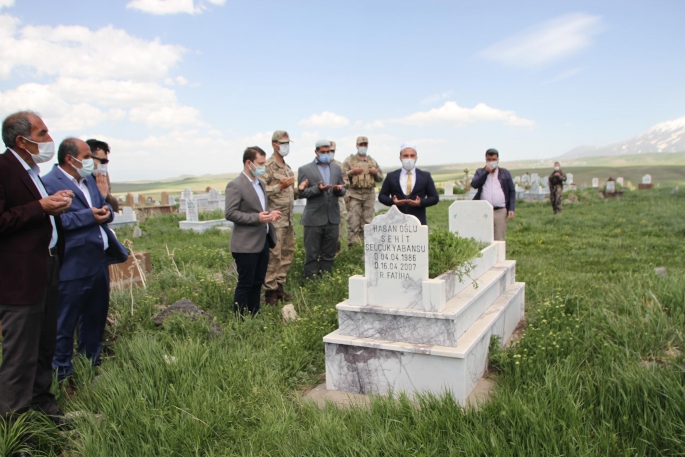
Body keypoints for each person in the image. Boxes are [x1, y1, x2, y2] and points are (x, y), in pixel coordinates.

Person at [0, 111, 73, 424]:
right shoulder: (3, 170)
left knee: (44, 346)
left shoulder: (31, 173)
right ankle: (16, 430)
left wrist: (52, 203)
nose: (48, 140)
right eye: (42, 134)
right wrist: (39, 207)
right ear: (21, 140)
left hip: (46, 267)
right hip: (19, 279)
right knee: (20, 356)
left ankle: (45, 412)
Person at [42, 138, 129, 382]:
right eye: (87, 156)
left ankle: (90, 367)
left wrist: (105, 213)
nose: (91, 162)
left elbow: (105, 209)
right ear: (71, 159)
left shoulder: (88, 181)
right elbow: (54, 222)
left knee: (95, 317)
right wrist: (88, 216)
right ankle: (61, 375)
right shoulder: (49, 183)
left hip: (99, 261)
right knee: (66, 322)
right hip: (73, 263)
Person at [225, 147, 280, 316]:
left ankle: (254, 314)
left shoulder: (261, 184)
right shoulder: (236, 185)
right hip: (245, 244)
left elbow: (260, 208)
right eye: (260, 163)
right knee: (246, 283)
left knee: (258, 282)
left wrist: (270, 215)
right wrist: (257, 218)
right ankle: (240, 318)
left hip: (262, 240)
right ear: (249, 163)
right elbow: (230, 213)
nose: (264, 166)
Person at [297, 140, 346, 280]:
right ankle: (311, 280)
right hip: (313, 218)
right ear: (316, 152)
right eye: (323, 152)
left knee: (329, 252)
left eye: (328, 152)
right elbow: (302, 193)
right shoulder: (305, 169)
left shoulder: (336, 168)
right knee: (312, 253)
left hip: (332, 217)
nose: (326, 155)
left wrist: (339, 189)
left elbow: (342, 190)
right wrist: (318, 189)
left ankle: (325, 279)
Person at [262, 131, 296, 305]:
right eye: (283, 143)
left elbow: (289, 193)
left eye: (287, 142)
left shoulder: (287, 167)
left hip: (288, 219)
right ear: (274, 144)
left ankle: (279, 286)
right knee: (274, 255)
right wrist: (278, 187)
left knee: (287, 253)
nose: (286, 146)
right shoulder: (268, 166)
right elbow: (259, 190)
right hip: (275, 219)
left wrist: (300, 189)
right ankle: (270, 292)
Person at [378, 143, 439, 225]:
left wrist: (420, 202)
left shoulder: (425, 176)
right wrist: (393, 202)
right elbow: (382, 196)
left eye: (412, 155)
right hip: (396, 221)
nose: (409, 159)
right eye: (406, 156)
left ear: (416, 158)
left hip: (418, 222)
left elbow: (434, 198)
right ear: (400, 158)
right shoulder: (391, 176)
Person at [342, 136, 383, 247]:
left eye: (365, 145)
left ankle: (367, 249)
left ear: (367, 146)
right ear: (357, 145)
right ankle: (353, 250)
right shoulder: (349, 160)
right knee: (353, 223)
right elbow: (342, 176)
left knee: (368, 223)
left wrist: (375, 173)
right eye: (361, 144)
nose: (363, 147)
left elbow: (380, 178)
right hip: (354, 195)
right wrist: (352, 172)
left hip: (369, 195)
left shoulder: (372, 161)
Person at [470, 148, 516, 241]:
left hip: (500, 210)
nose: (491, 162)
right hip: (484, 209)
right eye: (489, 160)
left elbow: (512, 191)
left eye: (494, 160)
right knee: (483, 237)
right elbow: (474, 184)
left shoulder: (505, 173)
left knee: (499, 237)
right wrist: (486, 172)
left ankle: (499, 255)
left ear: (498, 160)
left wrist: (511, 208)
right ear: (485, 159)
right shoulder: (480, 172)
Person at [86, 139, 119, 212]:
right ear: (89, 159)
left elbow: (114, 208)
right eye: (103, 161)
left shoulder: (103, 175)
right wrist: (100, 196)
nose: (105, 165)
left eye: (106, 161)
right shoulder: (80, 178)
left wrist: (106, 195)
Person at [329, 140, 347, 253]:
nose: (329, 153)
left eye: (332, 151)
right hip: (321, 203)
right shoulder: (314, 167)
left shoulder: (339, 165)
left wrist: (340, 187)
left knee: (337, 232)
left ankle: (336, 256)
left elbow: (346, 182)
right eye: (327, 151)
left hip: (337, 202)